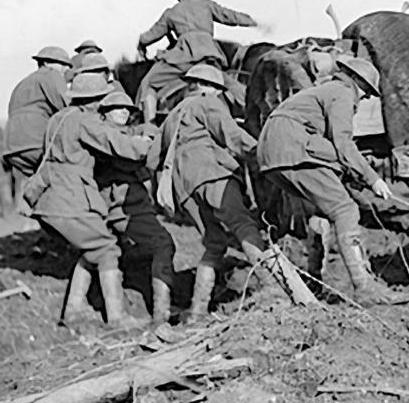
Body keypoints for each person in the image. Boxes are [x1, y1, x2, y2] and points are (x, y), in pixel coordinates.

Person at [256, 58, 409, 306]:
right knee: (345, 209)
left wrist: (352, 175)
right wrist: (373, 179)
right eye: (366, 93)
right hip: (294, 148)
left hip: (275, 153)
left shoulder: (324, 91)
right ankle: (364, 287)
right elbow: (343, 143)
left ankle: (314, 279)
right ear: (356, 81)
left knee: (322, 211)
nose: (364, 99)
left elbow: (331, 151)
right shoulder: (342, 93)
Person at [146, 64, 289, 324]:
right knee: (244, 226)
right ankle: (274, 290)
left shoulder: (171, 117)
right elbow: (232, 136)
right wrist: (265, 152)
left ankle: (198, 311)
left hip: (184, 190)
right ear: (208, 87)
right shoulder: (207, 104)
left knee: (214, 243)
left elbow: (152, 159)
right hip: (212, 175)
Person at [24, 73, 154, 329]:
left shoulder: (57, 119)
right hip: (71, 197)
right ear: (95, 100)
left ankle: (73, 311)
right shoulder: (85, 121)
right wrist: (148, 144)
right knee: (107, 250)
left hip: (48, 198)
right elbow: (115, 143)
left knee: (91, 250)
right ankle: (117, 318)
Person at [95, 91, 176, 324]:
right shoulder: (107, 137)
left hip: (121, 207)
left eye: (127, 108)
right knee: (163, 244)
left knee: (97, 255)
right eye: (117, 108)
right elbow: (130, 158)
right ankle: (161, 315)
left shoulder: (118, 133)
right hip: (122, 208)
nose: (124, 111)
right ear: (104, 113)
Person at [136, 0, 257, 122]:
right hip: (210, 54)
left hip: (183, 57)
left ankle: (149, 128)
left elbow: (150, 36)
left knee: (149, 83)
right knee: (226, 81)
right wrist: (253, 22)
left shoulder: (171, 12)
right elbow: (229, 16)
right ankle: (248, 103)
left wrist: (141, 44)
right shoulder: (206, 4)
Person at [2, 46, 72, 189]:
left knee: (42, 183)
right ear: (46, 63)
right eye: (63, 64)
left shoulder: (23, 83)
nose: (66, 69)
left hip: (12, 146)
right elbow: (69, 107)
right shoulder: (51, 75)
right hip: (35, 141)